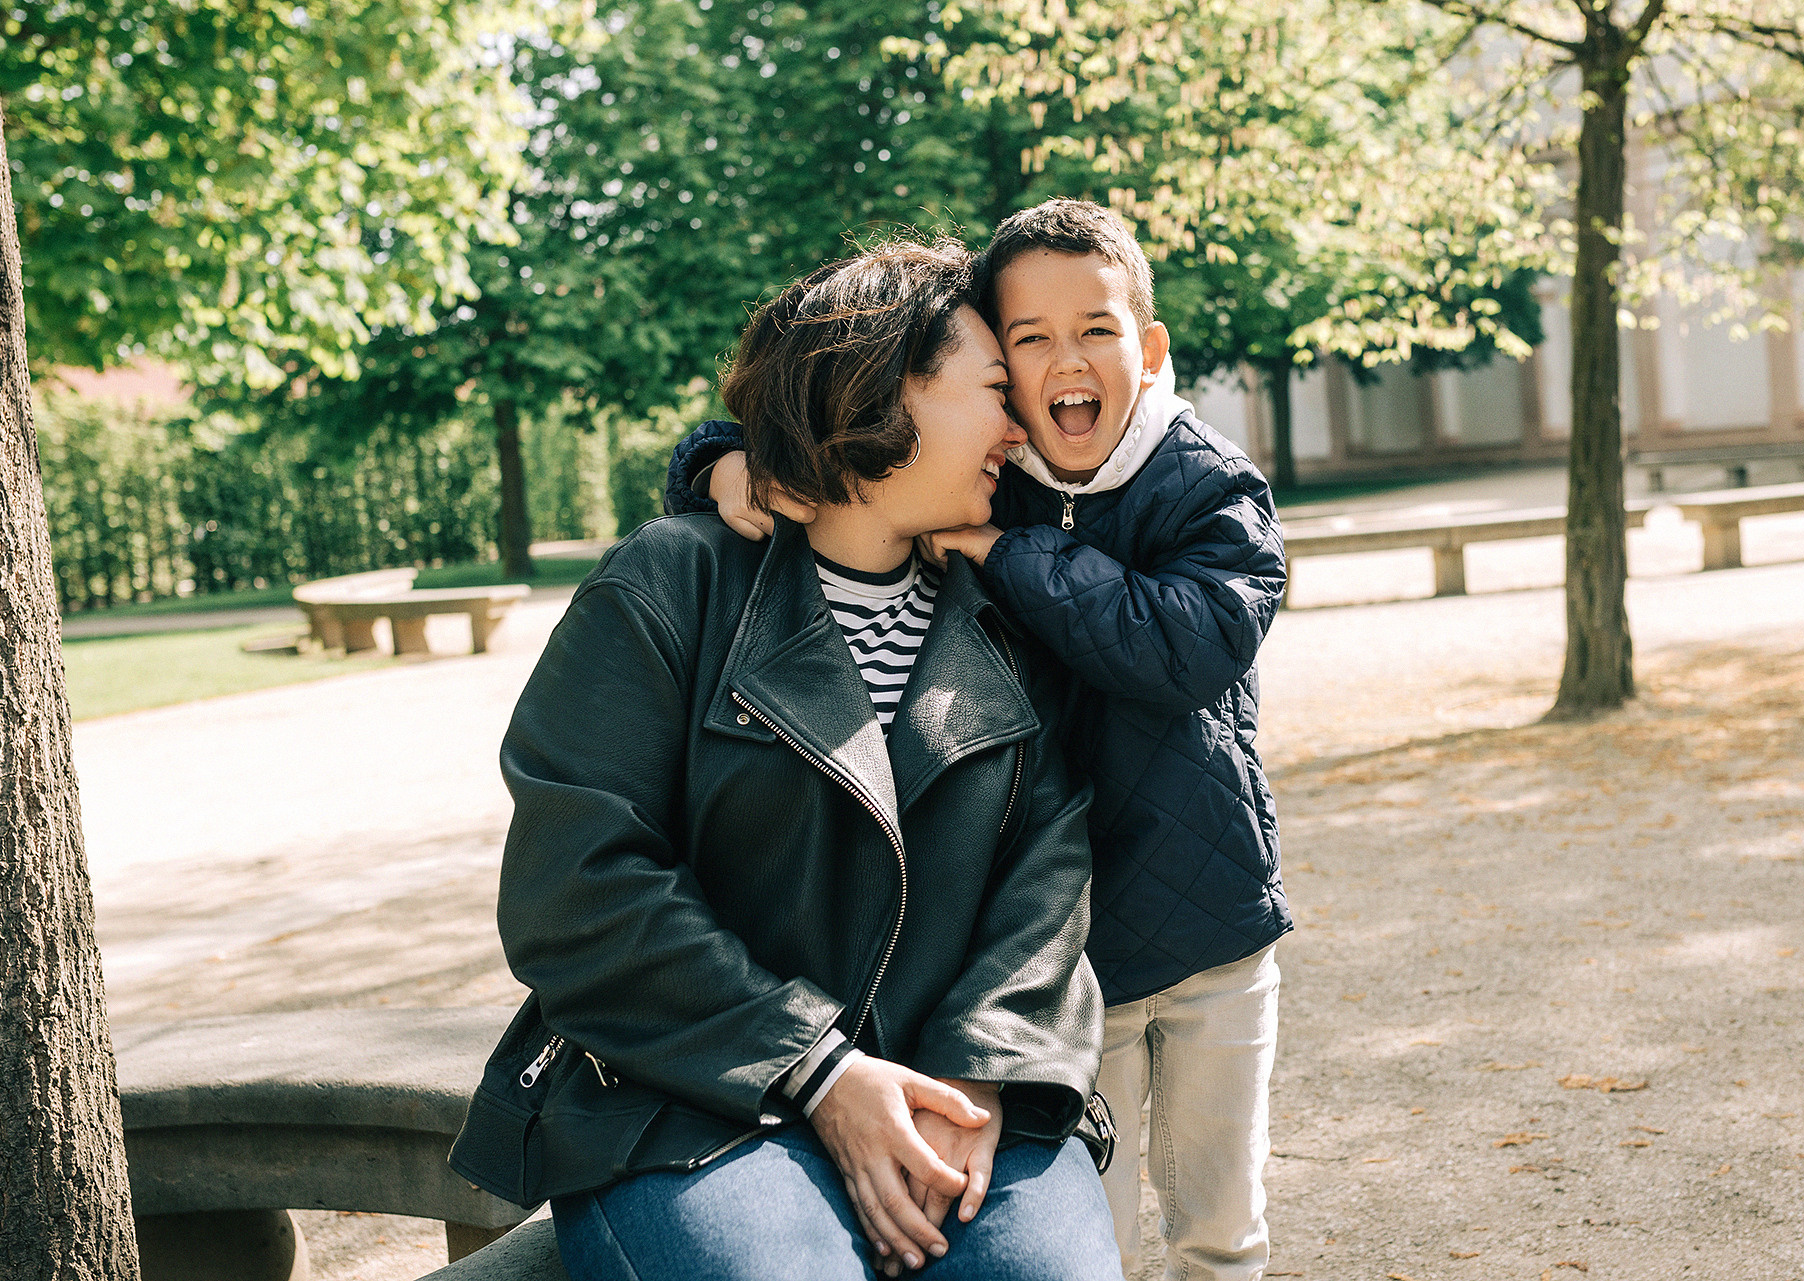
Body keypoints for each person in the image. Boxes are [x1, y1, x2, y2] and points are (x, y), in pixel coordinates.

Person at [450, 238, 1123, 1281]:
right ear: (881, 390)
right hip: (683, 1102)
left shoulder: (1007, 615)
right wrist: (821, 1072)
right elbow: (579, 887)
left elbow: (1047, 874)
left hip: (956, 1085)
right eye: (994, 388)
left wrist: (979, 1082)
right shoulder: (666, 586)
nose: (1017, 424)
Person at [668, 200, 1292, 1281]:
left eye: (1096, 329)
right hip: (1061, 948)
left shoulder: (1205, 484)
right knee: (1089, 1218)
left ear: (1146, 350)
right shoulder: (981, 466)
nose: (1067, 359)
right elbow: (828, 418)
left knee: (1217, 1222)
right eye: (1028, 339)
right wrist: (715, 469)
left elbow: (1184, 646)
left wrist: (1010, 557)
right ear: (995, 365)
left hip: (1209, 930)